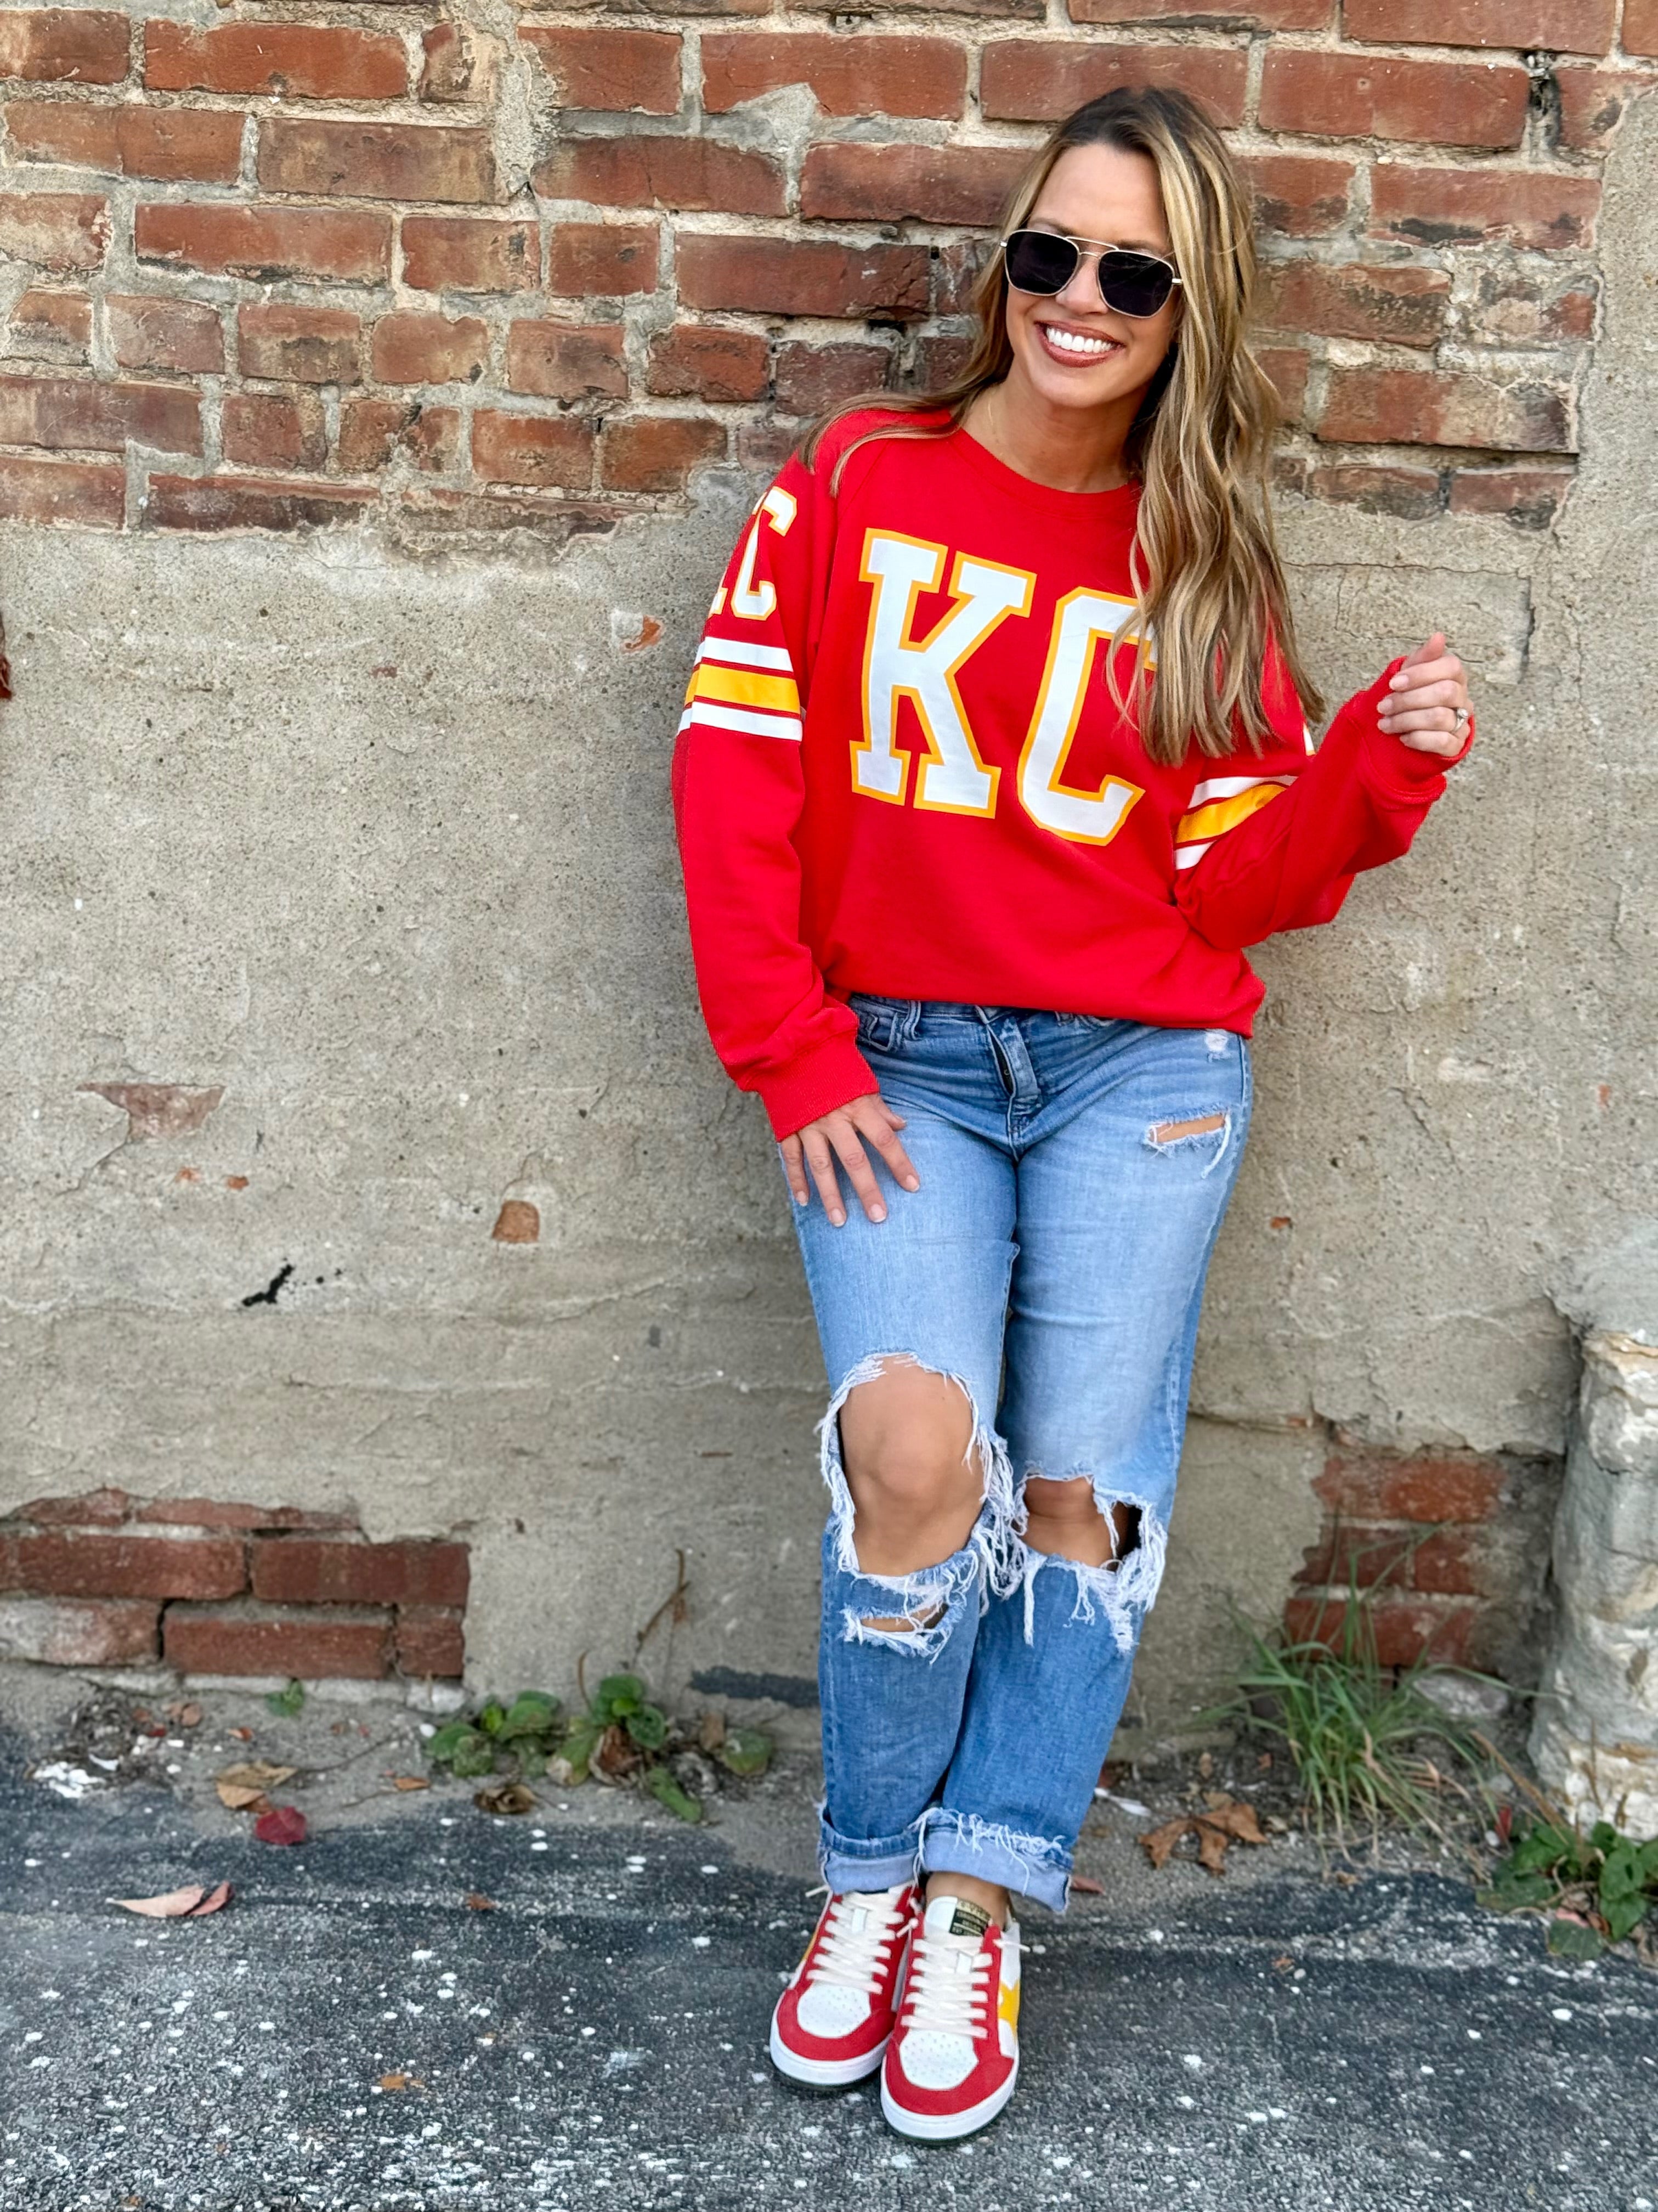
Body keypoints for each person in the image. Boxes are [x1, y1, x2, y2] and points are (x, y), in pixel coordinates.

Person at [671, 84, 1473, 2143]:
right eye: (1050, 252)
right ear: (1007, 265)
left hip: (1141, 1071)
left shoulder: (1199, 561)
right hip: (898, 1067)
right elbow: (734, 771)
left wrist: (1373, 774)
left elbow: (1235, 887)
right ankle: (868, 1878)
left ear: (1192, 310)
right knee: (912, 1455)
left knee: (1076, 1501)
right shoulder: (859, 482)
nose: (1081, 298)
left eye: (1136, 271)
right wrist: (794, 1051)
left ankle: (981, 1900)